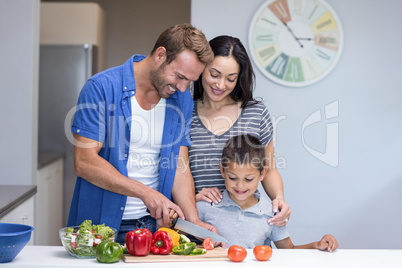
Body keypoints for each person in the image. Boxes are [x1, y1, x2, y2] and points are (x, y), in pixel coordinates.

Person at [67, 24, 215, 244]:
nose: (183, 88)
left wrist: (194, 221)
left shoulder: (180, 99)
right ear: (160, 55)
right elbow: (84, 162)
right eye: (179, 76)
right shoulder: (102, 88)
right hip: (100, 228)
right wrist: (146, 193)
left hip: (154, 228)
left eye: (189, 81)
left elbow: (179, 163)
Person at [190, 35, 290, 226]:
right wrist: (193, 197)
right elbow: (177, 172)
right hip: (200, 226)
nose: (220, 85)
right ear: (202, 68)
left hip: (246, 225)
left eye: (230, 79)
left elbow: (269, 169)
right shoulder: (186, 112)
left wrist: (279, 198)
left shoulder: (256, 113)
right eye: (214, 74)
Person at [197, 134, 339, 251]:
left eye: (248, 179)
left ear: (262, 173)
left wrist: (316, 245)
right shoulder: (207, 205)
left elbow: (289, 250)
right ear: (222, 170)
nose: (240, 186)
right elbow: (179, 234)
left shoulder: (272, 214)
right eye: (233, 178)